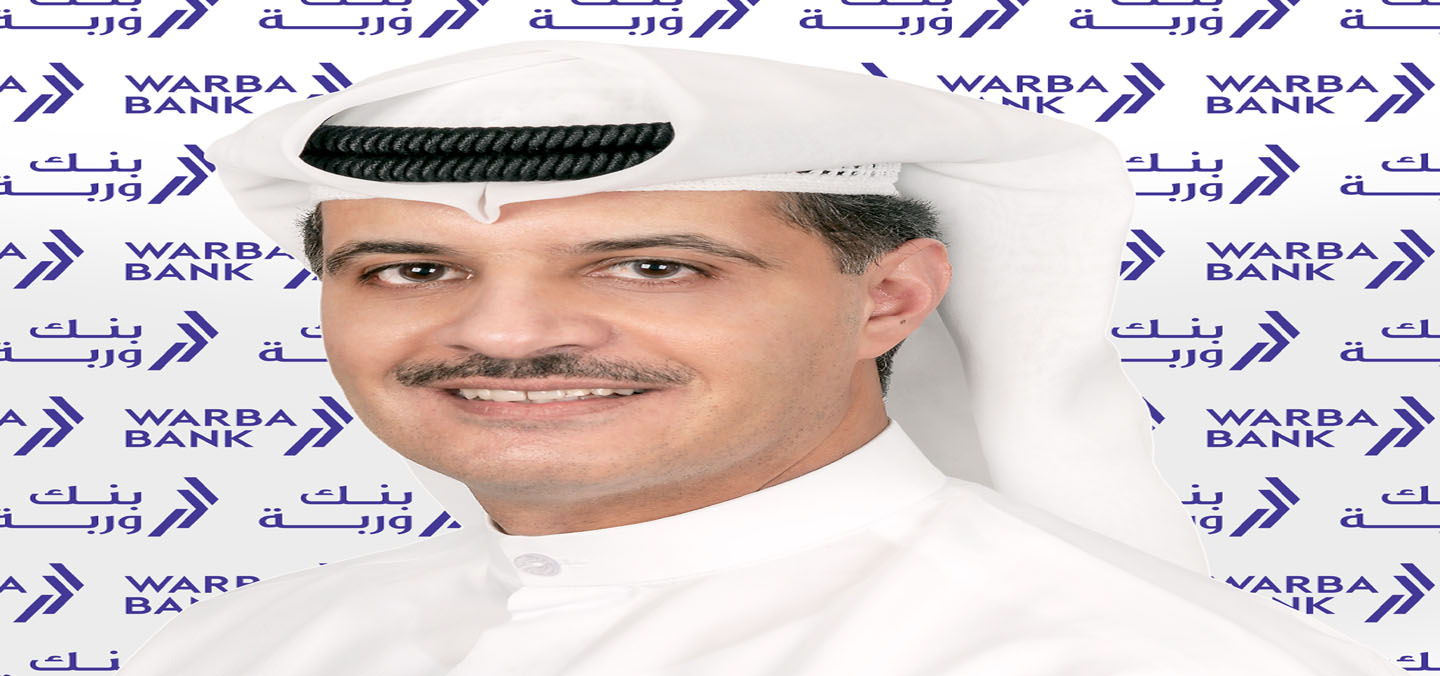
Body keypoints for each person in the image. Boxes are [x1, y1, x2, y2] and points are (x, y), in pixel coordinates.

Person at [118, 42, 1401, 675]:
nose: (502, 335)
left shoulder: (1124, 656)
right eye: (410, 269)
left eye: (650, 266)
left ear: (889, 297)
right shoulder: (244, 641)